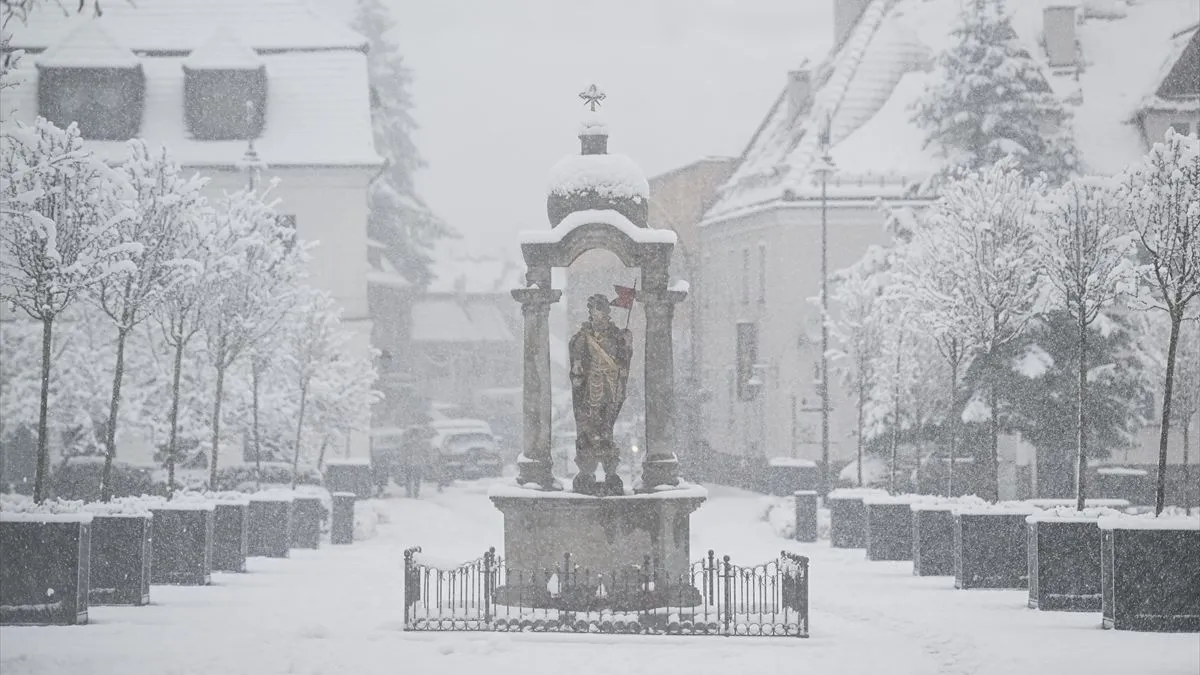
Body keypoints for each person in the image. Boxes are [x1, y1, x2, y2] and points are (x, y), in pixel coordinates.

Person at [568, 293, 634, 495]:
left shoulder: (616, 335)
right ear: (591, 313)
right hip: (593, 381)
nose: (601, 315)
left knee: (608, 417)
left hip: (611, 382)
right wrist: (578, 369)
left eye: (604, 311)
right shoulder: (583, 337)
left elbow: (624, 358)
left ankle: (605, 440)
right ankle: (591, 445)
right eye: (597, 311)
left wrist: (627, 344)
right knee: (590, 415)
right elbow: (577, 357)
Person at [401, 424, 434, 498]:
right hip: (415, 463)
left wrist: (404, 461)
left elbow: (404, 453)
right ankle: (413, 492)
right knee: (414, 479)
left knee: (412, 479)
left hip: (413, 463)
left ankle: (411, 492)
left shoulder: (408, 443)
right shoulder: (420, 443)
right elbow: (426, 453)